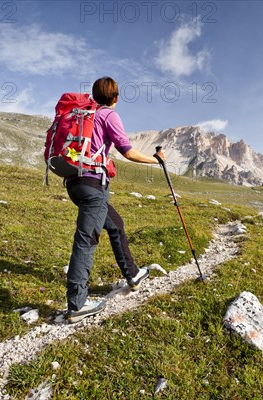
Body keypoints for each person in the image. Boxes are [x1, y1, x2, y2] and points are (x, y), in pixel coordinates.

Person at [64, 76, 165, 322]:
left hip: (74, 182)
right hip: (93, 184)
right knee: (86, 240)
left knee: (115, 224)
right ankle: (77, 305)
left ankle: (132, 274)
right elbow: (128, 152)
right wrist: (157, 160)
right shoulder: (109, 115)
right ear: (116, 97)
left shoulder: (84, 114)